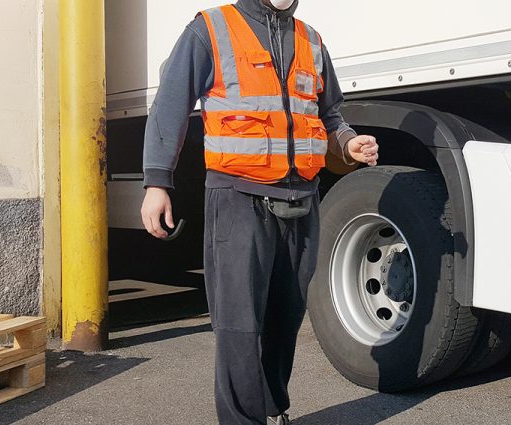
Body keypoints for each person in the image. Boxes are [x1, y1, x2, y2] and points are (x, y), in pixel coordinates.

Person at [139, 0, 379, 423]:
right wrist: (158, 182)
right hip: (238, 197)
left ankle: (272, 409)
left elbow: (329, 115)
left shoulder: (311, 39)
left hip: (302, 198)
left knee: (285, 317)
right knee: (239, 324)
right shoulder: (210, 29)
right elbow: (170, 105)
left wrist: (348, 144)